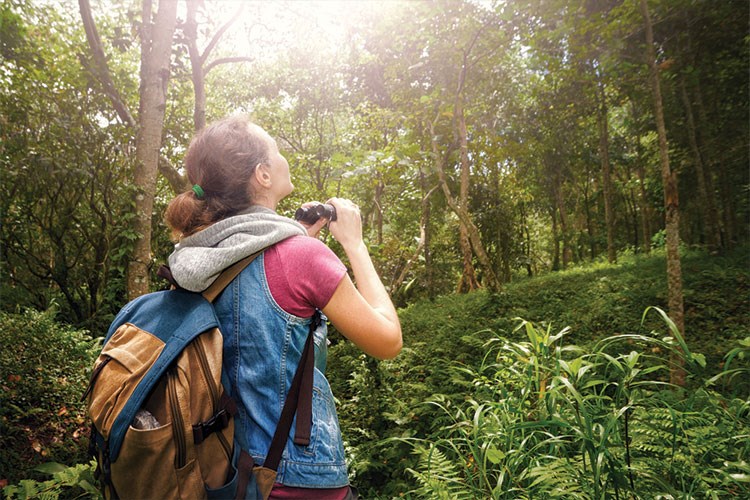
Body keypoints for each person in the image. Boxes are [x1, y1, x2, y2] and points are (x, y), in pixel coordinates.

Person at [163, 114, 402, 499]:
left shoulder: (193, 257)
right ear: (263, 175)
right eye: (275, 149)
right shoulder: (302, 257)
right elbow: (387, 341)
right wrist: (354, 245)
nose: (281, 156)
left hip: (222, 475)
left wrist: (294, 239)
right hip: (296, 480)